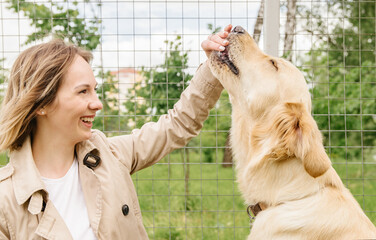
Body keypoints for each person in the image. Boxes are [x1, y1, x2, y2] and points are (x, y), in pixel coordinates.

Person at [0, 24, 232, 239]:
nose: (97, 103)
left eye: (95, 90)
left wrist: (214, 67)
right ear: (42, 104)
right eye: (83, 92)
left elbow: (178, 124)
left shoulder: (109, 154)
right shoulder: (6, 200)